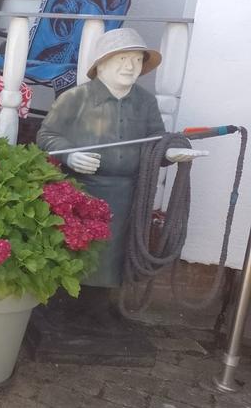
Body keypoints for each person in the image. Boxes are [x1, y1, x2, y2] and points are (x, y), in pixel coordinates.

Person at [36, 28, 206, 288]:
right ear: (102, 65)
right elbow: (47, 135)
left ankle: (106, 300)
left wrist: (169, 152)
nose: (130, 66)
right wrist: (69, 154)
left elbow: (156, 139)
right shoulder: (75, 98)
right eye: (122, 59)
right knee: (74, 252)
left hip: (127, 196)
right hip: (81, 191)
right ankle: (66, 299)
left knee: (114, 255)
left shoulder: (145, 102)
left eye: (137, 60)